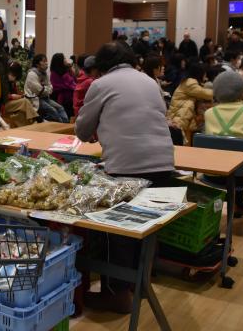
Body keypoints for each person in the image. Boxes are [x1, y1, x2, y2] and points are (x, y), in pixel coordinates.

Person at [75, 42, 174, 314]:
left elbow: (82, 131)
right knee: (147, 224)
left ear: (102, 66)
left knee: (116, 233)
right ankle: (138, 285)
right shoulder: (150, 82)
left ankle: (116, 294)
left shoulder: (101, 84)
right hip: (164, 164)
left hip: (126, 168)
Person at [205, 71, 243, 218]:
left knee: (231, 157)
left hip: (215, 174)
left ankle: (238, 206)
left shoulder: (209, 113)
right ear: (242, 91)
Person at [167, 62, 213, 145]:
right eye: (204, 73)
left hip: (183, 118)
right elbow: (205, 94)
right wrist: (220, 91)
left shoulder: (188, 81)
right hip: (179, 118)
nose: (205, 76)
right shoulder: (190, 82)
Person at [25, 54, 69, 123]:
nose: (46, 63)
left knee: (60, 108)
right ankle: (60, 127)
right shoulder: (32, 74)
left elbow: (50, 87)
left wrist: (46, 88)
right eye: (44, 61)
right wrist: (46, 89)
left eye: (46, 61)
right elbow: (39, 90)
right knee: (52, 110)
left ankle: (66, 125)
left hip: (45, 98)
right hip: (36, 99)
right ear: (37, 64)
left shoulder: (44, 73)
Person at [4, 62, 39, 127]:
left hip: (11, 103)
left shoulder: (12, 82)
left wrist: (21, 95)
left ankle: (29, 125)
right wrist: (11, 96)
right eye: (10, 73)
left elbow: (17, 93)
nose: (11, 75)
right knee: (24, 102)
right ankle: (36, 118)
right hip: (3, 104)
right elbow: (2, 95)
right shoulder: (3, 80)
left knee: (22, 112)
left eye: (13, 74)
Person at [50, 53, 76, 119]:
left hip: (70, 97)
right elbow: (56, 86)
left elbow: (74, 80)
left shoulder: (67, 70)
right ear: (60, 61)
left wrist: (70, 68)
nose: (65, 60)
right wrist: (68, 86)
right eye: (64, 58)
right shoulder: (54, 73)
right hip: (60, 98)